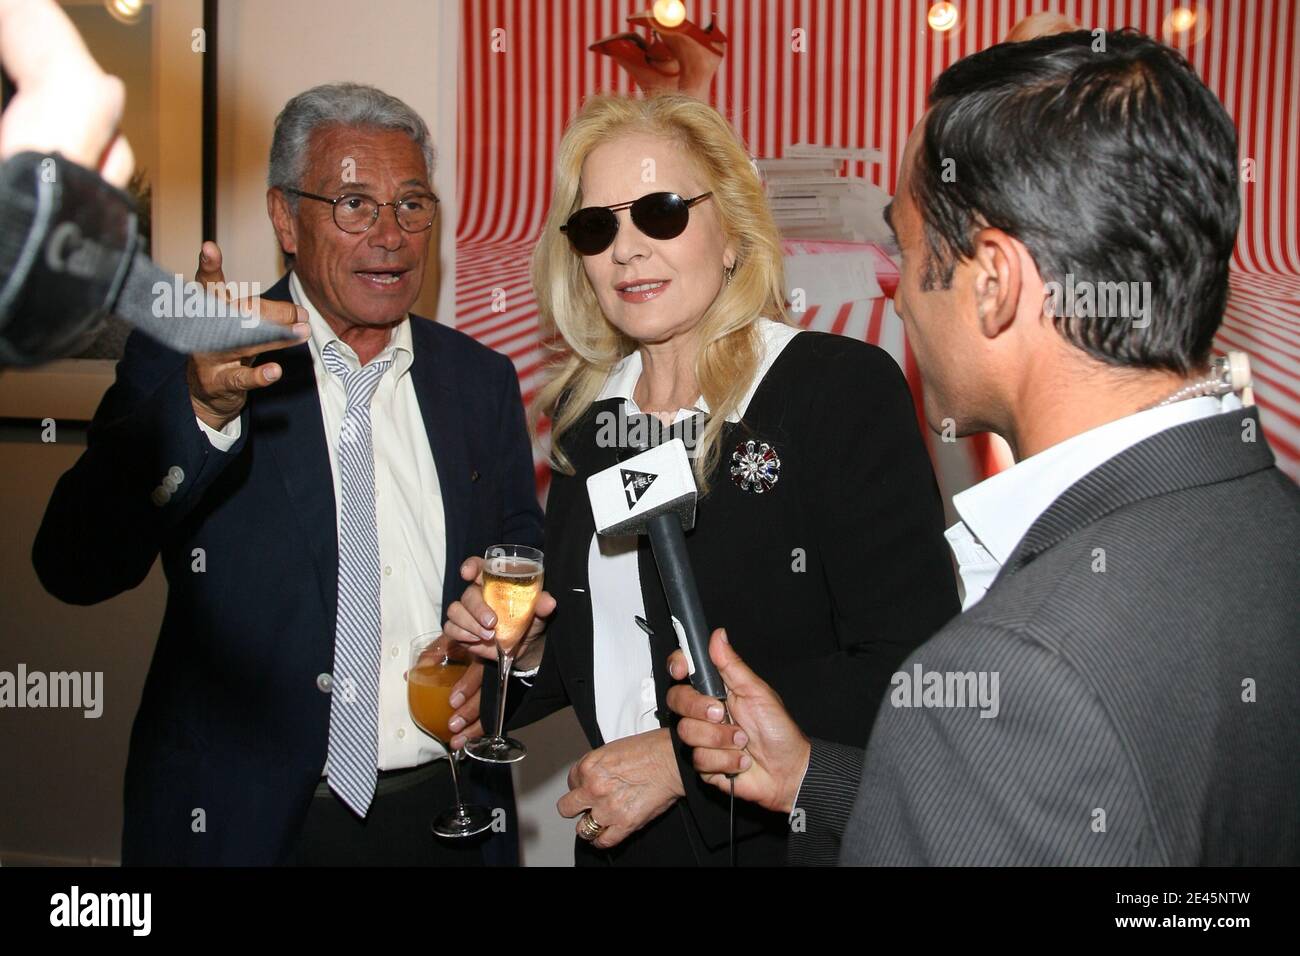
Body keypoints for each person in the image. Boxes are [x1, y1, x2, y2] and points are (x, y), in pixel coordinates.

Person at [667, 30, 1300, 865]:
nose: (897, 298)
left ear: (993, 283)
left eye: (907, 244)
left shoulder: (1018, 676)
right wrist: (810, 777)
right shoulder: (1269, 516)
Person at [33, 83, 543, 865]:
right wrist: (201, 410)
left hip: (446, 820)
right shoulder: (198, 352)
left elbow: (519, 565)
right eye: (352, 204)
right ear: (284, 217)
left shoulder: (479, 381)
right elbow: (74, 563)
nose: (392, 236)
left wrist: (492, 654)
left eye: (413, 204)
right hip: (244, 828)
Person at [444, 92, 958, 865]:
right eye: (597, 225)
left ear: (732, 234)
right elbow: (608, 660)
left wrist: (679, 759)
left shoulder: (832, 390)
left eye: (659, 211)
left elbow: (910, 664)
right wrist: (533, 645)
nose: (626, 249)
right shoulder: (593, 424)